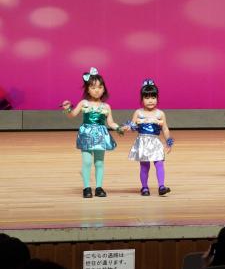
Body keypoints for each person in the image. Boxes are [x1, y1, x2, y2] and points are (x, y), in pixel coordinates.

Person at [61, 67, 126, 198]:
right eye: (93, 87)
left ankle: (99, 187)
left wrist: (119, 128)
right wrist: (67, 109)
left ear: (104, 89)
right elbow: (72, 114)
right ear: (87, 89)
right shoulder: (84, 103)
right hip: (86, 134)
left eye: (100, 87)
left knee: (99, 162)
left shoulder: (106, 106)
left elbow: (111, 122)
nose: (97, 90)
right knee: (87, 161)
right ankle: (86, 188)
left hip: (101, 135)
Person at [127, 79, 174, 196]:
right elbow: (132, 127)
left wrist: (169, 141)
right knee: (145, 166)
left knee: (159, 163)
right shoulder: (138, 113)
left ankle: (161, 186)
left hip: (155, 142)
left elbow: (165, 128)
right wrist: (131, 126)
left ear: (157, 98)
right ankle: (144, 187)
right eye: (147, 98)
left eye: (153, 97)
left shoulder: (160, 113)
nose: (150, 100)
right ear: (142, 99)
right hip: (143, 141)